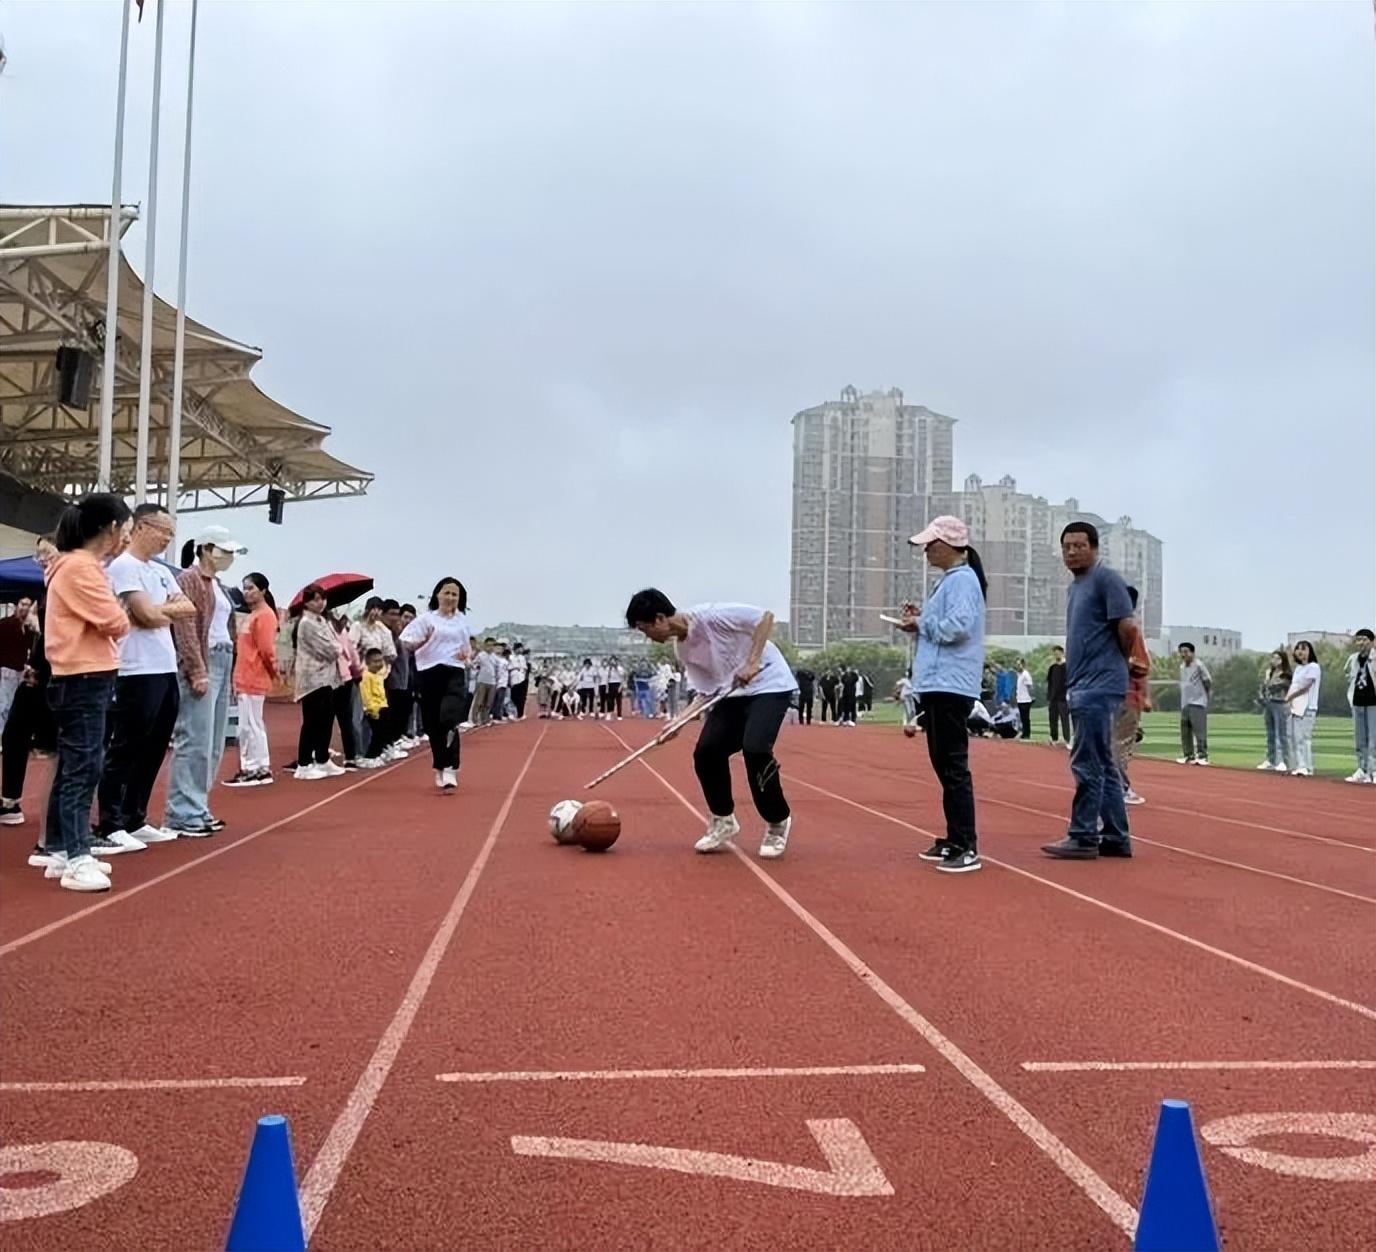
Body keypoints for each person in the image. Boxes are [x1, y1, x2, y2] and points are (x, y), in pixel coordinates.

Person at [626, 589, 797, 859]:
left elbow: (765, 618)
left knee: (755, 749)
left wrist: (752, 662)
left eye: (645, 629)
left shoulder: (713, 616)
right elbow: (707, 693)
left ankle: (777, 822)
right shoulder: (683, 650)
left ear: (660, 618)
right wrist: (677, 723)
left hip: (769, 685)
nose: (647, 636)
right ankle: (723, 820)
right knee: (707, 752)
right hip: (733, 694)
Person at [35, 494, 132, 891]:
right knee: (83, 767)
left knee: (76, 765)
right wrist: (115, 614)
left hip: (80, 676)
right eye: (125, 530)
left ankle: (60, 848)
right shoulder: (80, 568)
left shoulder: (75, 566)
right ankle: (76, 855)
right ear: (110, 529)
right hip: (85, 677)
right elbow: (116, 621)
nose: (125, 538)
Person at [96, 503, 197, 849]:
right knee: (126, 746)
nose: (168, 538)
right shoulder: (124, 567)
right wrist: (161, 611)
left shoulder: (162, 572)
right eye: (163, 530)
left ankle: (134, 815)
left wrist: (160, 611)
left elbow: (187, 608)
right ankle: (110, 822)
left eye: (172, 533)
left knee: (155, 747)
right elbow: (144, 616)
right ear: (140, 527)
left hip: (165, 668)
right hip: (135, 669)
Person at [897, 515, 987, 874]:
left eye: (930, 546)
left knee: (952, 766)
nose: (926, 553)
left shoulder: (963, 581)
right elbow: (944, 626)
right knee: (944, 764)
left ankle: (966, 844)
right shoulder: (951, 582)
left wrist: (923, 624)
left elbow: (958, 627)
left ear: (950, 545)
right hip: (937, 682)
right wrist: (921, 621)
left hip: (951, 683)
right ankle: (954, 838)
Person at [1041, 521, 1135, 861]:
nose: (1072, 551)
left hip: (1099, 684)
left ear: (1094, 548)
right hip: (1083, 683)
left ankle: (1083, 834)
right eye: (1066, 546)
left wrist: (1117, 660)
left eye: (1079, 545)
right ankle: (1115, 836)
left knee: (1087, 762)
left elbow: (1127, 625)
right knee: (1104, 763)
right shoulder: (1075, 587)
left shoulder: (1105, 579)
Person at [166, 525, 245, 836]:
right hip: (204, 659)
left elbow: (228, 628)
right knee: (195, 740)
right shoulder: (188, 579)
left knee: (212, 743)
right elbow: (185, 628)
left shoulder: (220, 586)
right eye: (223, 551)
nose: (228, 557)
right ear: (206, 549)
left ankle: (197, 806)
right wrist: (195, 668)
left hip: (222, 658)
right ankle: (182, 811)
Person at [399, 576, 472, 790]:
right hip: (428, 673)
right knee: (433, 724)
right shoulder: (426, 620)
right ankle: (440, 764)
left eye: (455, 594)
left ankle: (451, 767)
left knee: (449, 718)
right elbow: (405, 643)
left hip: (454, 672)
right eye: (447, 592)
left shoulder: (462, 621)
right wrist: (421, 643)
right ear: (437, 595)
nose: (450, 597)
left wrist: (466, 657)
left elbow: (467, 649)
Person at [226, 572, 280, 786]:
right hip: (244, 675)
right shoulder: (253, 615)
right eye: (245, 588)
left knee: (251, 724)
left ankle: (257, 767)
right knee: (247, 724)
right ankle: (253, 765)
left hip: (253, 676)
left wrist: (273, 670)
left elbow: (266, 649)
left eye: (251, 588)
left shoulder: (265, 615)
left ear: (263, 590)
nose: (247, 593)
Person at [292, 585, 345, 780]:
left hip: (327, 678)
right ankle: (303, 763)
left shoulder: (323, 620)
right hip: (312, 678)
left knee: (327, 718)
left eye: (323, 599)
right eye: (315, 599)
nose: (321, 603)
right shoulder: (307, 623)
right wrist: (337, 648)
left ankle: (322, 758)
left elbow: (335, 644)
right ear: (306, 602)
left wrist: (337, 646)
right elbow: (329, 649)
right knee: (312, 721)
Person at [1113, 586, 1152, 806]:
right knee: (1121, 744)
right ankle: (1121, 787)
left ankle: (1108, 786)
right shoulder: (1129, 628)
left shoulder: (1100, 626)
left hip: (1103, 694)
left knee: (1107, 743)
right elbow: (1141, 665)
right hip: (1126, 695)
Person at [1285, 640, 1322, 778]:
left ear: (1309, 651)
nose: (1300, 652)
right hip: (1297, 706)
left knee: (1304, 738)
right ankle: (1299, 764)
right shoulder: (1298, 669)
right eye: (1298, 649)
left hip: (1308, 706)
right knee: (1295, 737)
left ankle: (1307, 766)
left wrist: (1289, 697)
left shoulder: (1313, 667)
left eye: (1303, 649)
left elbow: (1306, 685)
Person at [1344, 629, 1376, 784]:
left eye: (1364, 639)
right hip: (1358, 701)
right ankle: (1362, 769)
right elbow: (1348, 676)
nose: (1361, 643)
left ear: (1372, 641)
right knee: (1359, 738)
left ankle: (1373, 770)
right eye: (1358, 640)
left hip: (1373, 702)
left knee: (1373, 738)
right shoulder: (1354, 659)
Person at [1258, 649, 1294, 773]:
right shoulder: (1270, 672)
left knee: (1282, 734)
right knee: (1270, 734)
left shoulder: (1286, 674)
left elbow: (1276, 686)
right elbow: (1264, 687)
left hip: (1280, 704)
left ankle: (1285, 761)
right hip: (1269, 703)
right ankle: (1271, 760)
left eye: (1277, 658)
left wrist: (1268, 681)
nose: (1274, 661)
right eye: (1273, 658)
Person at [1176, 643, 1212, 765]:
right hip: (1185, 702)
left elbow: (1207, 681)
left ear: (1192, 653)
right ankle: (1188, 754)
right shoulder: (1182, 667)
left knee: (1199, 730)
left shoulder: (1199, 666)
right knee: (1185, 730)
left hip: (1198, 702)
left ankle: (1203, 755)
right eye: (1181, 652)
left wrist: (1205, 696)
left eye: (1186, 652)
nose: (1183, 654)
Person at [359, 647, 389, 765]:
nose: (379, 664)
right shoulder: (366, 676)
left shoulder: (378, 674)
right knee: (377, 733)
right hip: (374, 709)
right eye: (375, 661)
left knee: (383, 732)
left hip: (383, 706)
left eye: (380, 661)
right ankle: (371, 756)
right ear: (367, 663)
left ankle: (378, 753)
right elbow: (366, 694)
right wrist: (372, 709)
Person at [1045, 646, 1070, 746]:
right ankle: (1054, 738)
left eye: (1058, 653)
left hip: (1063, 697)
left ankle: (1066, 739)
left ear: (1062, 653)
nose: (1056, 655)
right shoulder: (1052, 668)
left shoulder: (1067, 667)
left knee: (1064, 719)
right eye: (1055, 653)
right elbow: (1050, 683)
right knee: (1053, 718)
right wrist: (1049, 696)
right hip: (1053, 698)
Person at [1014, 659, 1034, 740]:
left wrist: (1031, 696)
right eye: (1017, 664)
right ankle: (1024, 732)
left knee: (1026, 717)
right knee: (1022, 717)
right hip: (1020, 698)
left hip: (1026, 699)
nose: (1018, 666)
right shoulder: (1019, 675)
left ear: (1023, 664)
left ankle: (1027, 734)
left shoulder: (1026, 674)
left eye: (1019, 664)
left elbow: (1030, 686)